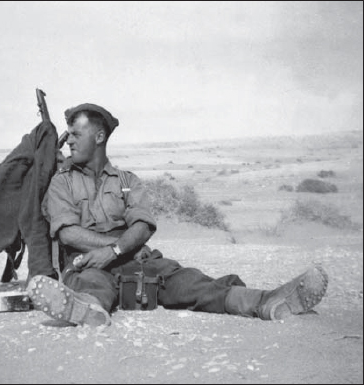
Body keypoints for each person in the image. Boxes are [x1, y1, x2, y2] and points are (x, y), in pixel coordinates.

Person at [27, 103, 328, 327]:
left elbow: (142, 226)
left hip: (135, 260)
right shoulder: (61, 181)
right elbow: (68, 233)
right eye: (68, 136)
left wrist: (115, 250)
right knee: (93, 285)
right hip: (88, 265)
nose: (69, 141)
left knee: (192, 283)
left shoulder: (128, 181)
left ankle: (268, 303)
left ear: (99, 136)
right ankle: (86, 312)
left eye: (76, 134)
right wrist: (106, 252)